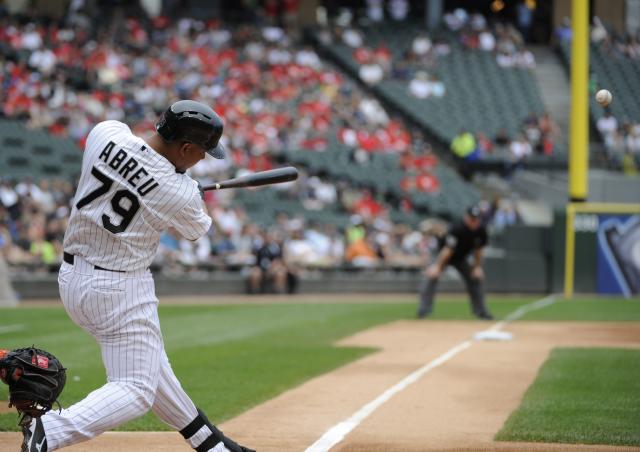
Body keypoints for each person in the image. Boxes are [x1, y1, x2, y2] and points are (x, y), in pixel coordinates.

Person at [21, 100, 254, 452]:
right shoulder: (181, 192)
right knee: (136, 388)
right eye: (202, 152)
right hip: (120, 287)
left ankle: (210, 445)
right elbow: (195, 230)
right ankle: (50, 430)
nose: (203, 159)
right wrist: (179, 183)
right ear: (186, 147)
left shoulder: (105, 134)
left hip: (71, 279)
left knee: (150, 365)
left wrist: (163, 180)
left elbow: (138, 159)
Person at [417, 205, 494, 320]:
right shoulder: (457, 228)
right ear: (466, 217)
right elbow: (447, 251)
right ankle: (423, 311)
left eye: (477, 219)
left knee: (476, 278)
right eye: (472, 219)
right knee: (431, 276)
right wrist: (437, 267)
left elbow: (479, 251)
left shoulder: (481, 230)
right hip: (442, 256)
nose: (474, 222)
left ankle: (481, 311)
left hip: (461, 259)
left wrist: (477, 267)